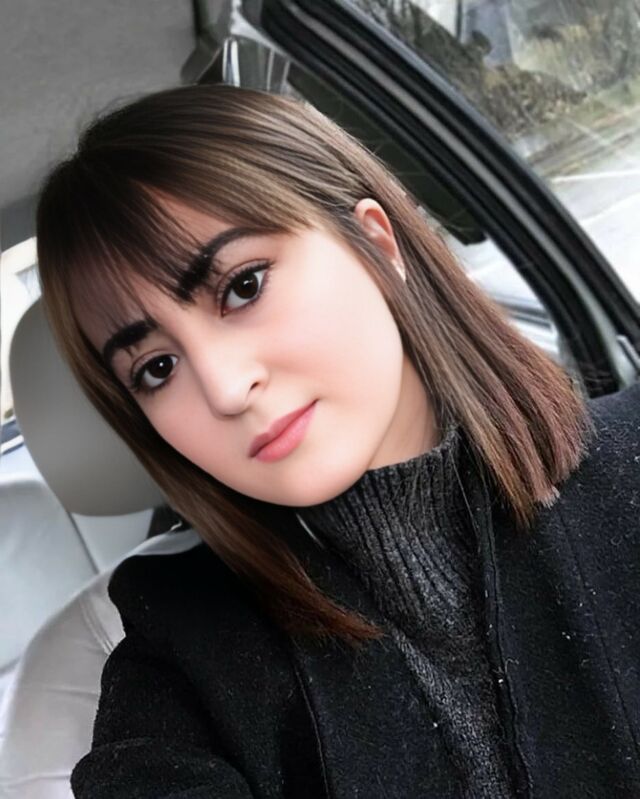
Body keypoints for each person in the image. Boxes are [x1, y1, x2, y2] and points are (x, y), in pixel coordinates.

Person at [35, 83, 640, 799]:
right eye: (157, 368)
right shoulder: (179, 650)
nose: (226, 389)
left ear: (377, 244)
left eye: (243, 286)